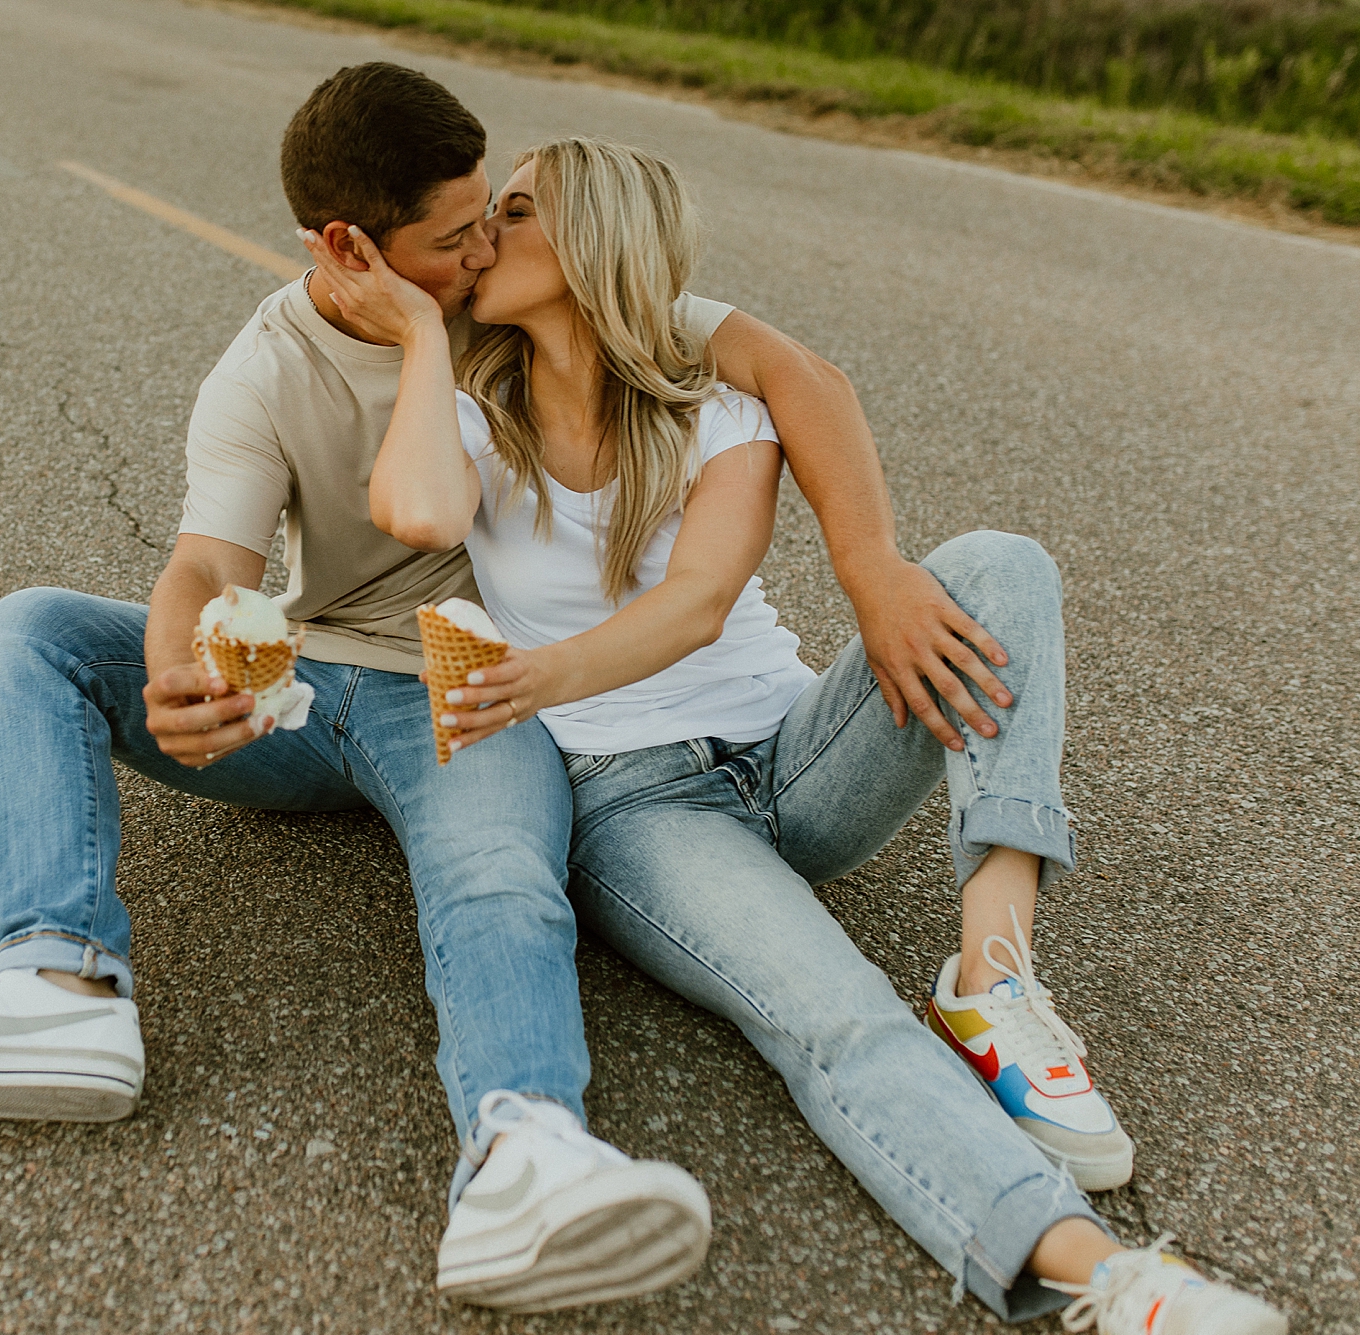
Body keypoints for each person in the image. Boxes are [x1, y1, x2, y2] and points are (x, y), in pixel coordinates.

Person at [0, 63, 969, 1314]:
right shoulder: (265, 369)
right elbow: (206, 561)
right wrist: (180, 660)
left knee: (499, 881)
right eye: (452, 239)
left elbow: (790, 374)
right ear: (350, 245)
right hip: (306, 674)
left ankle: (525, 1152)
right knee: (25, 631)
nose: (482, 251)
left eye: (491, 220)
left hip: (463, 682)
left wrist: (870, 564)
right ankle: (56, 983)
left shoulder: (523, 299)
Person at [326, 134, 1290, 1331]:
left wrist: (559, 666)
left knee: (996, 565)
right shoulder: (475, 419)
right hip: (639, 808)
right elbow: (413, 506)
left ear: (592, 243)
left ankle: (991, 971)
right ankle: (1101, 1277)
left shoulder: (717, 407)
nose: (481, 239)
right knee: (834, 1015)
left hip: (795, 752)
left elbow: (701, 600)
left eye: (514, 213)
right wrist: (424, 338)